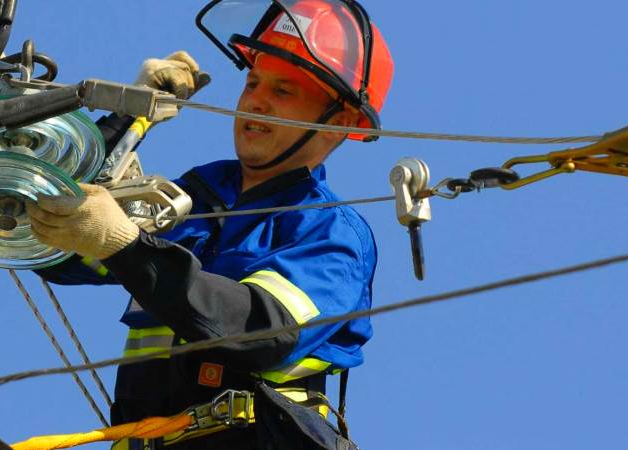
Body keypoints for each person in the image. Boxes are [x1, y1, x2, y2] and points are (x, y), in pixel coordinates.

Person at [29, 1, 393, 448]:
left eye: (283, 91)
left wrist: (124, 244)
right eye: (253, 82)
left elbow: (257, 331)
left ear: (337, 124)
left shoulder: (328, 233)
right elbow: (51, 244)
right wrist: (129, 117)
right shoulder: (199, 197)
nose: (256, 99)